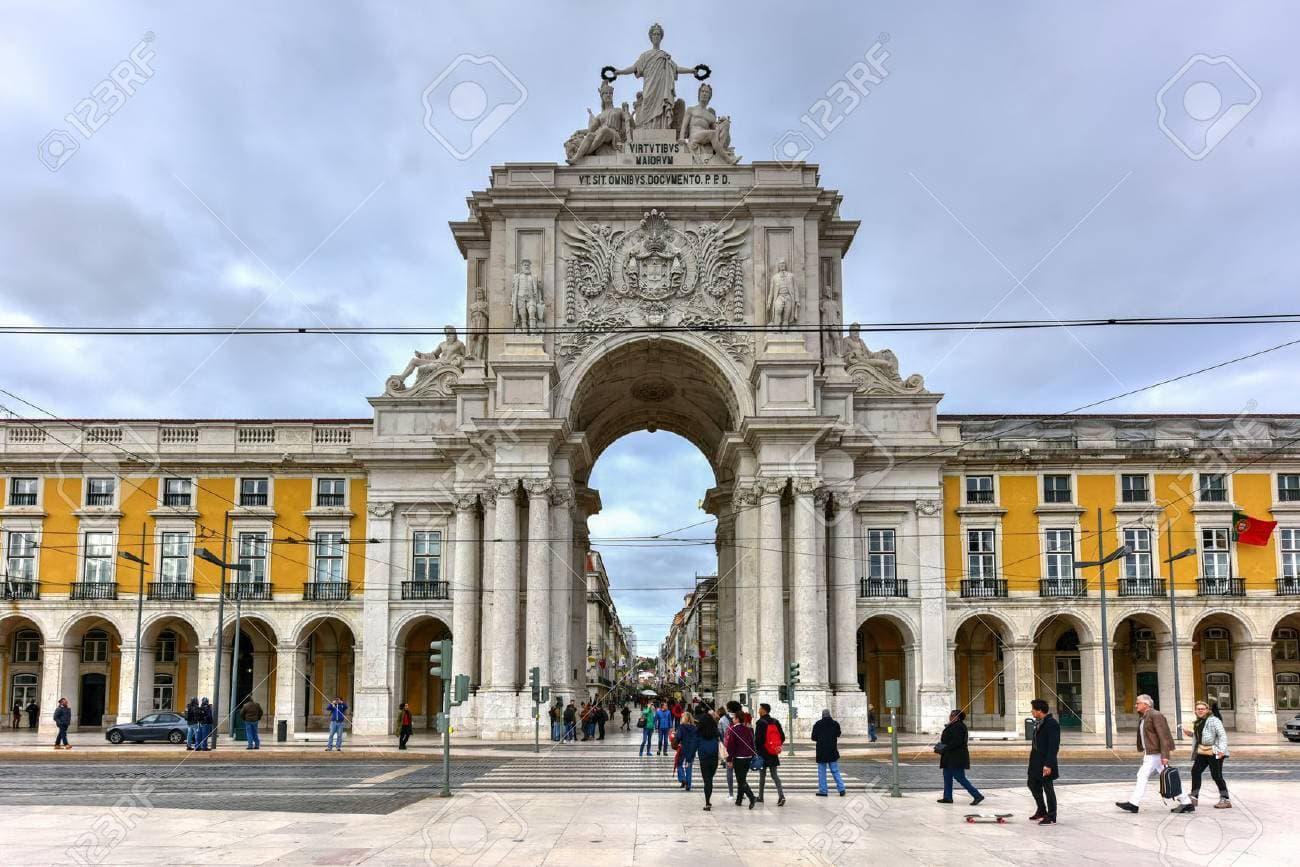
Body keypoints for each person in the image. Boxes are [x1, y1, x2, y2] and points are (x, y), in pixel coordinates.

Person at [1118, 694, 1193, 813]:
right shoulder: (1144, 716)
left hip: (1155, 754)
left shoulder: (1155, 715)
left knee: (1142, 776)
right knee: (1167, 777)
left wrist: (1165, 755)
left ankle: (1134, 803)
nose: (1135, 705)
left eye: (1138, 703)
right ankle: (1186, 802)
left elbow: (1164, 736)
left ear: (1146, 704)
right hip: (1152, 753)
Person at [1184, 700, 1230, 809]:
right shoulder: (1198, 722)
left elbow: (1222, 735)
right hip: (1203, 751)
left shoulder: (1214, 720)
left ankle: (1225, 799)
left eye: (1202, 709)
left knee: (1216, 775)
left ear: (1207, 710)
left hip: (1215, 751)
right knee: (1195, 771)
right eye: (1198, 709)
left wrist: (1221, 750)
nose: (1200, 710)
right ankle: (1194, 797)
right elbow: (1203, 736)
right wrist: (1191, 734)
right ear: (1195, 711)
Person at [936, 709, 984, 805]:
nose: (950, 716)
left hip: (956, 757)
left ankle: (977, 795)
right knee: (947, 777)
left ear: (957, 717)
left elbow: (957, 742)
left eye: (952, 715)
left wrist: (945, 747)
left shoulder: (959, 726)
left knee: (960, 777)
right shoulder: (953, 725)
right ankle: (947, 797)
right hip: (949, 757)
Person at [1027, 698, 1059, 825]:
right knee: (1032, 784)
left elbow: (1054, 746)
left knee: (1048, 788)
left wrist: (1048, 764)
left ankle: (1051, 816)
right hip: (1035, 761)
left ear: (1039, 710)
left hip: (1045, 762)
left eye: (1033, 709)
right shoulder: (1040, 722)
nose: (1032, 711)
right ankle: (1041, 810)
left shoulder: (1052, 723)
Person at [724, 710, 758, 809]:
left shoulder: (733, 729)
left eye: (734, 718)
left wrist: (729, 759)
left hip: (738, 758)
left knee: (741, 780)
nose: (732, 720)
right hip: (748, 757)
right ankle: (739, 800)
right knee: (742, 778)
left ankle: (751, 797)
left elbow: (731, 746)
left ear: (737, 719)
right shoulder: (748, 729)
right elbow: (752, 743)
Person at [754, 703, 786, 806]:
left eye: (760, 709)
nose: (758, 711)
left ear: (764, 710)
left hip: (763, 753)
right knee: (774, 775)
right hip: (772, 752)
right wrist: (776, 746)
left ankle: (760, 797)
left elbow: (758, 740)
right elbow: (782, 737)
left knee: (762, 776)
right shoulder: (775, 722)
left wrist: (757, 751)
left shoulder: (760, 722)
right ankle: (781, 796)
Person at [811, 709, 847, 797]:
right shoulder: (835, 724)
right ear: (829, 715)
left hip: (821, 751)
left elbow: (813, 737)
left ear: (822, 715)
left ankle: (823, 791)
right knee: (835, 770)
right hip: (832, 750)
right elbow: (838, 734)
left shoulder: (817, 724)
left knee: (822, 772)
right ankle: (841, 789)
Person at [696, 710, 721, 810]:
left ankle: (707, 802)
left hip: (703, 758)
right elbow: (722, 739)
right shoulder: (715, 731)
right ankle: (708, 800)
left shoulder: (699, 732)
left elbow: (694, 743)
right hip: (714, 757)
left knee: (707, 780)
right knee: (710, 779)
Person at [675, 711, 700, 791]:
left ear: (684, 718)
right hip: (691, 749)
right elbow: (697, 739)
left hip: (683, 748)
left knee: (679, 764)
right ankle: (688, 785)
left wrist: (675, 740)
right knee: (689, 766)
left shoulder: (681, 727)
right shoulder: (695, 728)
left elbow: (678, 737)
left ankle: (683, 779)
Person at [719, 702, 736, 799]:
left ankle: (731, 793)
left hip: (728, 748)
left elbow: (720, 734)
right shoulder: (741, 717)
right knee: (740, 772)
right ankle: (742, 793)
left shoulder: (722, 720)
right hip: (739, 749)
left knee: (729, 771)